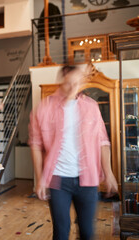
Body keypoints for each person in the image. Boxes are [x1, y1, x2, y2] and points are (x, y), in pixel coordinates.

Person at [29, 64, 118, 240]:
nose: (73, 88)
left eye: (77, 83)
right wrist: (40, 179)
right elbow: (35, 145)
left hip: (88, 180)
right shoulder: (43, 108)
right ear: (61, 81)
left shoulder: (91, 107)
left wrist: (108, 173)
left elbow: (103, 142)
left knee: (86, 232)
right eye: (69, 83)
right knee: (61, 232)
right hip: (58, 180)